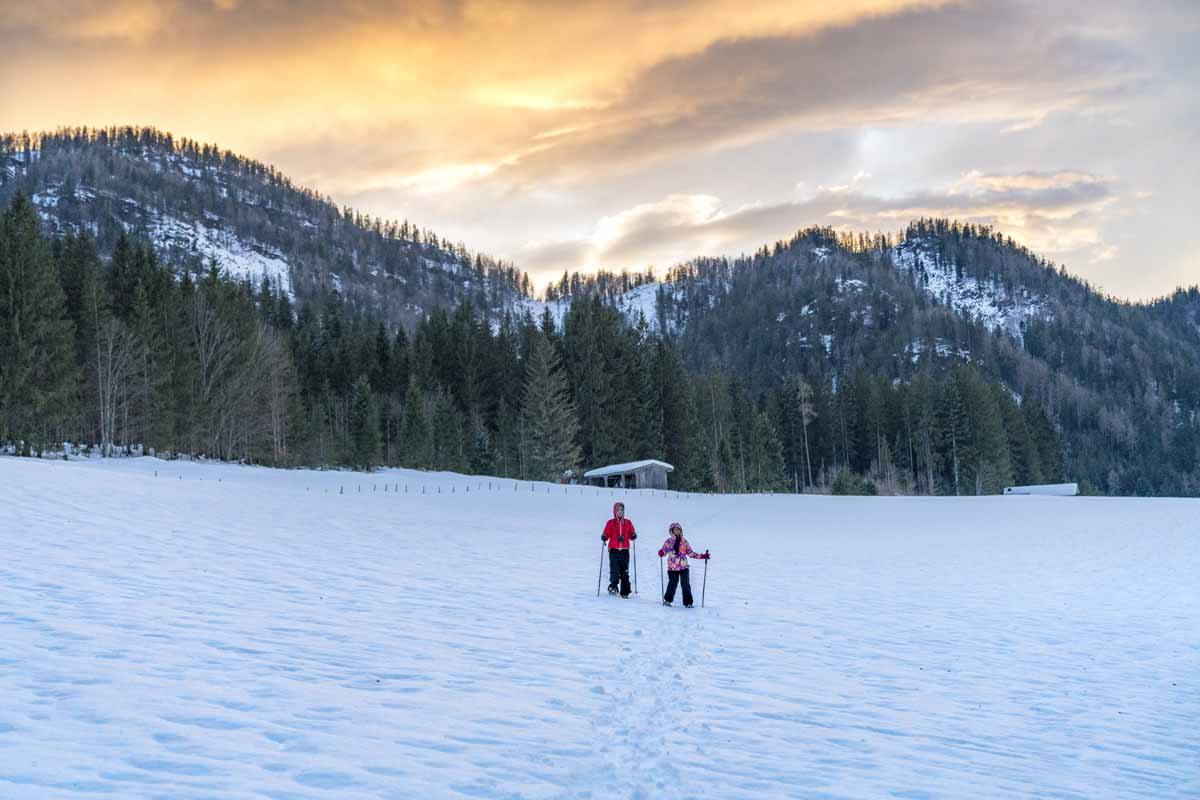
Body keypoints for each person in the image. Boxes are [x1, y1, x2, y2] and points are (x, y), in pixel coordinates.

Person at [657, 522, 709, 607]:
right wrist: (662, 552)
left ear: (681, 531)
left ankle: (688, 603)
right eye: (675, 530)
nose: (677, 531)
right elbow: (664, 551)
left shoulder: (684, 541)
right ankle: (667, 600)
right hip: (672, 568)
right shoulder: (668, 542)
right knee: (672, 584)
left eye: (678, 529)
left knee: (685, 584)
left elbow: (690, 553)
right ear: (671, 531)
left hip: (684, 567)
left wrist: (702, 556)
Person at [601, 502, 636, 597]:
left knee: (624, 571)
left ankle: (625, 591)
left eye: (622, 510)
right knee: (615, 570)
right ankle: (613, 586)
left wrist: (633, 535)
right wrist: (604, 536)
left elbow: (631, 533)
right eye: (618, 510)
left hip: (624, 550)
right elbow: (606, 533)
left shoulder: (628, 522)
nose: (620, 512)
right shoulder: (610, 522)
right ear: (615, 511)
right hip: (614, 550)